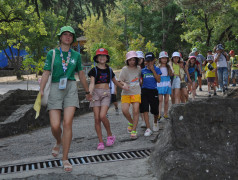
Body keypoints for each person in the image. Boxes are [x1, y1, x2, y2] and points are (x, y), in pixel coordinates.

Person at [40, 26, 90, 172]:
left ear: (72, 39)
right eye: (65, 35)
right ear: (60, 37)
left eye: (70, 35)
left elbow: (81, 74)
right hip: (55, 87)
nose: (68, 37)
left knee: (67, 123)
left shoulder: (76, 55)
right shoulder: (52, 53)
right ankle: (58, 140)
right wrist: (42, 89)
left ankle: (65, 158)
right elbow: (46, 72)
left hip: (71, 87)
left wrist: (87, 91)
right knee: (55, 125)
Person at [88, 48, 128, 150]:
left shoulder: (109, 70)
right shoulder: (94, 70)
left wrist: (123, 87)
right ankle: (100, 141)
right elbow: (92, 83)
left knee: (102, 115)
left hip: (106, 94)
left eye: (104, 56)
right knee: (97, 119)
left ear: (107, 58)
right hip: (95, 94)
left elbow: (115, 82)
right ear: (97, 58)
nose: (102, 58)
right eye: (100, 56)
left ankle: (110, 135)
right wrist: (89, 93)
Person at [119, 51, 141, 139]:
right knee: (124, 110)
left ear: (136, 60)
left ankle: (134, 130)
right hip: (126, 93)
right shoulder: (124, 69)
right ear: (127, 61)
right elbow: (120, 80)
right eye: (130, 60)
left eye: (134, 60)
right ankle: (131, 122)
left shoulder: (139, 68)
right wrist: (124, 84)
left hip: (136, 92)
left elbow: (140, 77)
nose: (132, 62)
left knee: (136, 111)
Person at [141, 52, 162, 136]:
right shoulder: (142, 70)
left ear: (154, 60)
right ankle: (148, 128)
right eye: (147, 61)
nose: (149, 62)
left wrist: (153, 70)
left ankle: (155, 122)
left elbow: (158, 80)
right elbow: (140, 81)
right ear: (145, 61)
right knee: (145, 109)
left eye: (151, 60)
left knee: (155, 111)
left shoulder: (157, 69)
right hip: (144, 91)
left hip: (153, 91)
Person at [156, 51, 172, 123]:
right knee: (160, 100)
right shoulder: (157, 67)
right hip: (160, 83)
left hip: (167, 82)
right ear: (160, 59)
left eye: (166, 58)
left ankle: (165, 114)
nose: (164, 59)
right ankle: (159, 114)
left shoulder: (168, 66)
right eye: (163, 58)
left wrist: (171, 66)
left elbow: (172, 74)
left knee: (166, 100)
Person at [136, 51, 146, 128]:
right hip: (136, 88)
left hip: (144, 88)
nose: (139, 60)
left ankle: (145, 120)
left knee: (144, 104)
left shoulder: (145, 67)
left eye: (141, 58)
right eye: (138, 58)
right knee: (138, 105)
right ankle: (142, 120)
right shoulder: (133, 67)